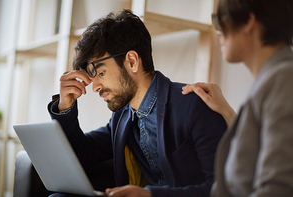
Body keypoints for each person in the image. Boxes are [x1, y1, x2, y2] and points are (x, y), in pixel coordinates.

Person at [47, 10, 226, 197]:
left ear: (132, 62)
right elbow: (84, 154)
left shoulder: (194, 106)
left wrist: (150, 195)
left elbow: (221, 188)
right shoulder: (122, 116)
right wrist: (64, 108)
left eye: (101, 73)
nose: (95, 87)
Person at [182, 0, 293, 196]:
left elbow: (277, 188)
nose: (217, 31)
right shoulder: (273, 80)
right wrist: (227, 111)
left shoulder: (282, 80)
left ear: (249, 20)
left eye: (219, 20)